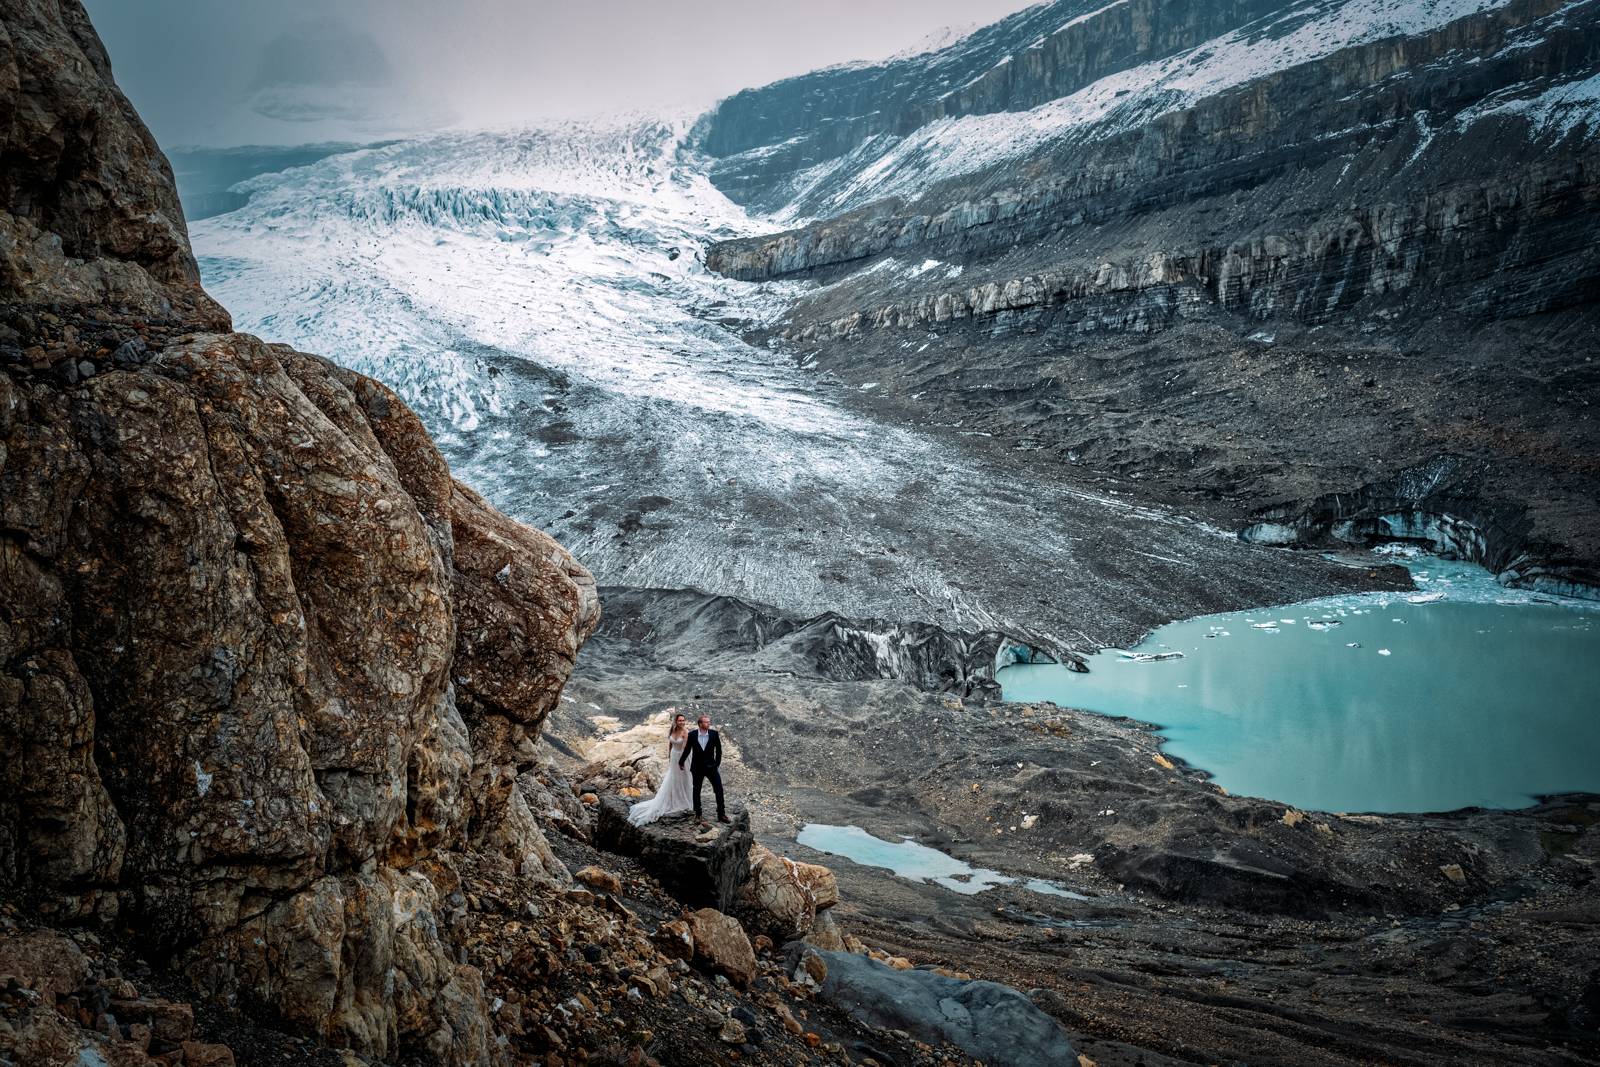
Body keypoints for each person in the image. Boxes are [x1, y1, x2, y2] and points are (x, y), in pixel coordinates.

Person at [627, 711, 695, 826]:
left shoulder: (685, 732)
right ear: (676, 721)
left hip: (683, 757)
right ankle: (672, 797)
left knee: (684, 778)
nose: (682, 722)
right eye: (680, 720)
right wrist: (670, 756)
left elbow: (685, 748)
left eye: (683, 720)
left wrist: (681, 761)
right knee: (673, 778)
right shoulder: (673, 730)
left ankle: (683, 800)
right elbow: (670, 744)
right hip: (674, 755)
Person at [679, 713, 728, 824]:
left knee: (719, 789)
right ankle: (698, 814)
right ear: (700, 724)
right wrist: (681, 761)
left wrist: (717, 764)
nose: (708, 723)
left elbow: (719, 751)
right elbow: (687, 749)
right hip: (697, 768)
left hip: (712, 768)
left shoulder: (714, 734)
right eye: (706, 722)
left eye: (709, 722)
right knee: (696, 791)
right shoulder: (692, 735)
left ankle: (721, 814)